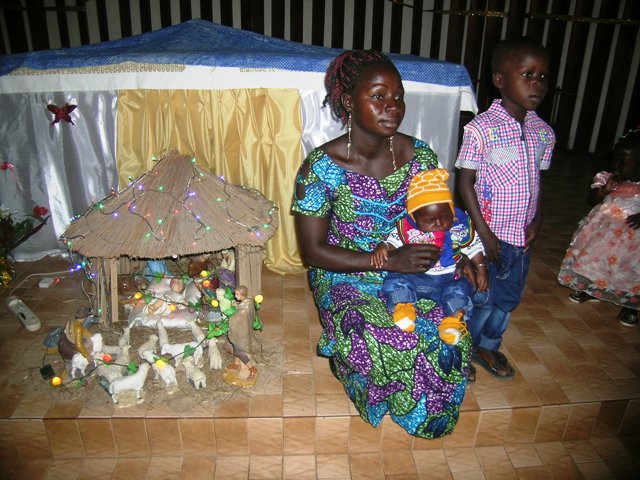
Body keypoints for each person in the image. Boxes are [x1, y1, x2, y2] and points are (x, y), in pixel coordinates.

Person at [292, 49, 472, 439]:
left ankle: (427, 401)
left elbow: (441, 217)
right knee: (385, 337)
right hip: (346, 272)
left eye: (398, 96)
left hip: (417, 270)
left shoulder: (420, 156)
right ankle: (349, 362)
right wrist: (388, 262)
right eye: (378, 96)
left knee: (445, 330)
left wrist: (461, 255)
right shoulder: (320, 168)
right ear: (347, 102)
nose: (393, 106)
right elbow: (313, 251)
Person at [455, 37, 556, 379]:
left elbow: (539, 182)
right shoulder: (481, 129)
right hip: (487, 236)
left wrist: (537, 219)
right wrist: (483, 234)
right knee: (479, 297)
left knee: (507, 299)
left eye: (543, 76)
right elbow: (464, 183)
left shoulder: (544, 132)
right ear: (500, 80)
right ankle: (463, 348)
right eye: (527, 74)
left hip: (520, 239)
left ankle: (488, 346)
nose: (537, 83)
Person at [371, 168, 488, 333]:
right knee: (396, 280)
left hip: (449, 276)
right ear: (414, 217)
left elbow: (473, 246)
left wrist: (481, 268)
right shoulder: (408, 226)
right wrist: (383, 246)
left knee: (460, 290)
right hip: (415, 275)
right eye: (430, 220)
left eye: (445, 216)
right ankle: (404, 308)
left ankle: (453, 322)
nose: (439, 224)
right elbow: (394, 240)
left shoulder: (458, 225)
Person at [558, 129, 640, 326]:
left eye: (623, 162)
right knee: (595, 261)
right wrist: (604, 190)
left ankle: (631, 304)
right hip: (604, 232)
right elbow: (592, 199)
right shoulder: (606, 177)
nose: (616, 166)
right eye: (614, 160)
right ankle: (592, 289)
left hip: (633, 240)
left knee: (629, 269)